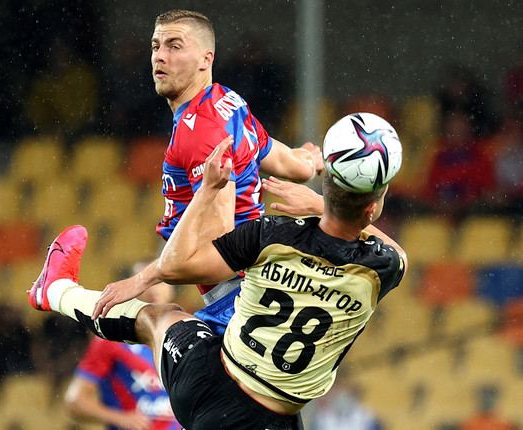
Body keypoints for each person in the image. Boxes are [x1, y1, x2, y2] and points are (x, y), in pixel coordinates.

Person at [27, 128, 407, 429]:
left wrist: (207, 191)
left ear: (327, 186)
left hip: (211, 383)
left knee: (159, 318)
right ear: (372, 209)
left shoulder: (271, 234)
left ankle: (57, 290)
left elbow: (179, 264)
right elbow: (396, 250)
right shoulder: (380, 269)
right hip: (274, 417)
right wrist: (324, 208)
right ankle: (55, 289)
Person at [83, 9, 322, 337]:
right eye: (156, 47)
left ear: (205, 59)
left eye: (175, 46)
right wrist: (309, 162)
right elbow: (283, 161)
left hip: (238, 304)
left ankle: (56, 293)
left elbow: (220, 248)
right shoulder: (227, 100)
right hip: (256, 292)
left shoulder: (200, 133)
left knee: (155, 324)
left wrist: (144, 278)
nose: (160, 57)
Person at [64, 266, 181, 430]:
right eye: (143, 282)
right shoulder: (111, 340)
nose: (152, 289)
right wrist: (119, 418)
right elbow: (75, 400)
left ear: (172, 288)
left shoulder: (183, 338)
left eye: (159, 282)